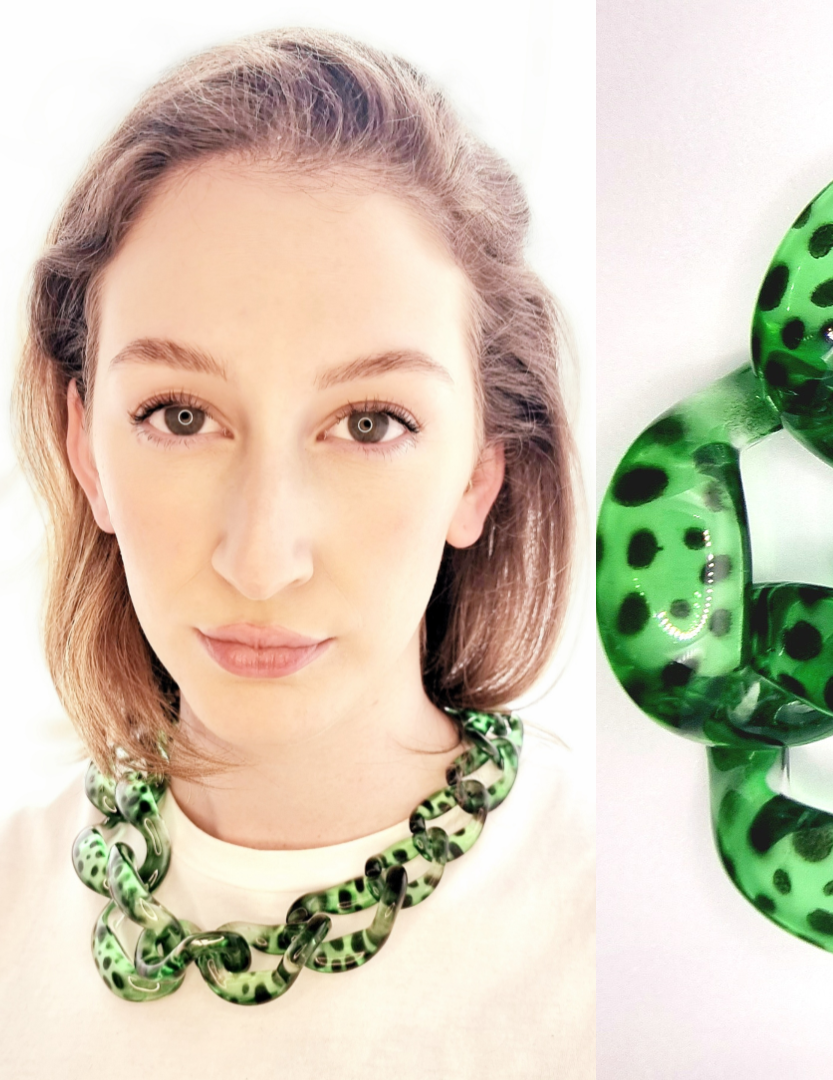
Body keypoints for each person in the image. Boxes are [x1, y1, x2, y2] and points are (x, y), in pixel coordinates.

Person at [0, 27, 593, 1078]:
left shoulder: (613, 934)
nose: (261, 560)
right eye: (179, 416)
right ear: (81, 447)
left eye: (370, 424)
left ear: (481, 471)